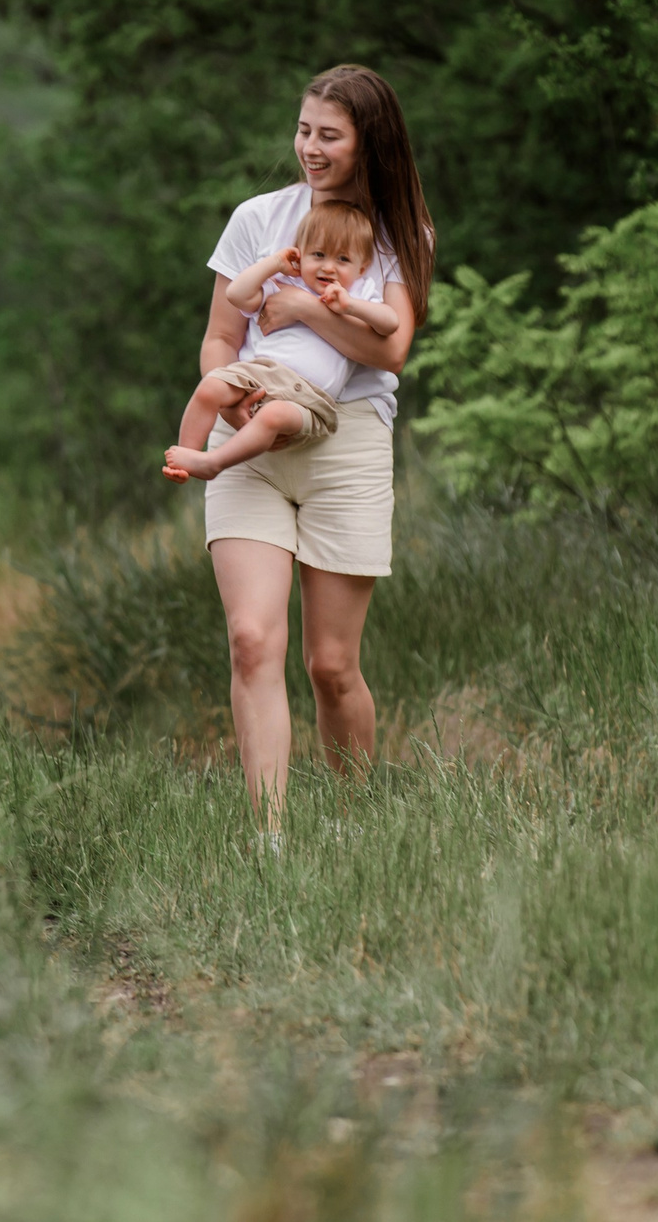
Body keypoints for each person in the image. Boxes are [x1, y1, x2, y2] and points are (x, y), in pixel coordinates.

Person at [196, 65, 435, 824]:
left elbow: (390, 351)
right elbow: (218, 334)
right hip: (252, 435)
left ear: (369, 141)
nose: (309, 146)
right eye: (304, 130)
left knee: (331, 665)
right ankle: (268, 833)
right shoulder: (259, 218)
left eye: (328, 134)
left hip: (348, 442)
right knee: (250, 639)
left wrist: (299, 309)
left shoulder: (400, 231)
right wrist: (232, 402)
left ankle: (353, 819)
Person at [163, 200, 399, 482]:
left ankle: (215, 463)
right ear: (300, 255)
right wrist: (274, 263)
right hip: (259, 375)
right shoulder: (285, 284)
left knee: (271, 417)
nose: (329, 267)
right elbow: (237, 294)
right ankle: (185, 459)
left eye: (343, 259)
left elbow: (390, 323)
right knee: (210, 386)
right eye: (319, 254)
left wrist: (350, 307)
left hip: (309, 399)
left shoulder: (360, 292)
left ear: (362, 268)